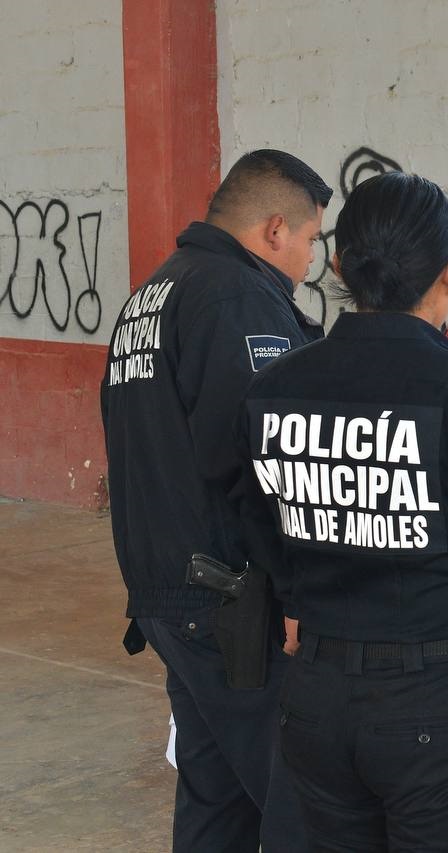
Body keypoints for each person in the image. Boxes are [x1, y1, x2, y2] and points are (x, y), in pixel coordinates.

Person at [233, 172, 448, 852]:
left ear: (337, 265)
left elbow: (262, 533)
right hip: (443, 698)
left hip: (318, 699)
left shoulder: (274, 389)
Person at [100, 149, 331, 852]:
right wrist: (295, 589)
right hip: (231, 603)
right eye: (311, 239)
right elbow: (260, 460)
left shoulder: (153, 295)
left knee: (217, 799)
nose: (310, 258)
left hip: (170, 593)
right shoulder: (236, 299)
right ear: (272, 231)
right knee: (301, 804)